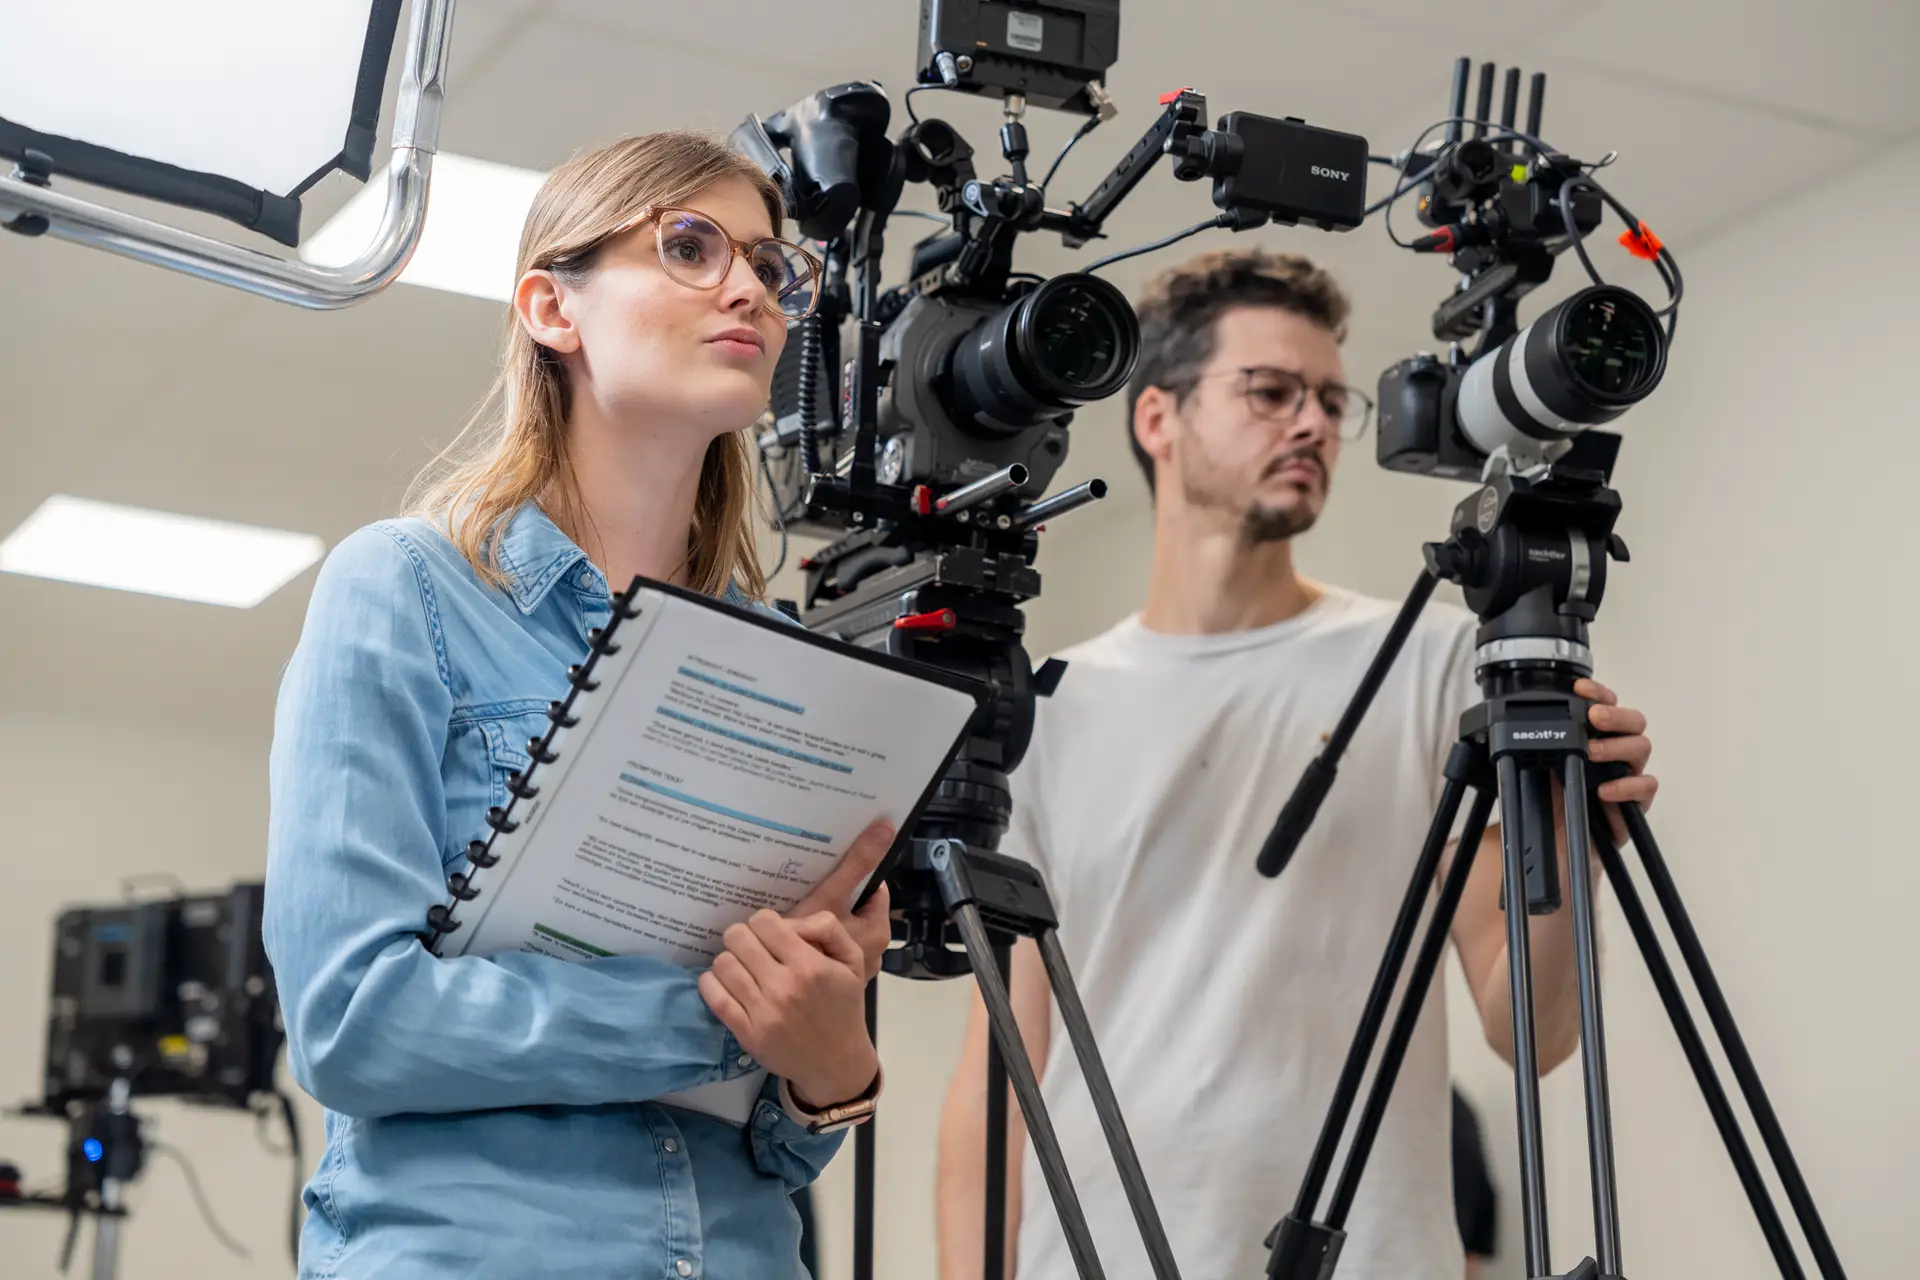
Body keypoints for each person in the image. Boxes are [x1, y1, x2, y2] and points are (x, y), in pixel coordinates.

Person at [935, 248, 1659, 1280]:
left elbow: (1530, 1029)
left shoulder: (1438, 657)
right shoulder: (1046, 701)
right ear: (1157, 419)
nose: (1313, 423)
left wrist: (1577, 844)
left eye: (1330, 398)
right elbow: (1001, 1073)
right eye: (1270, 391)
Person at [264, 131, 889, 1280]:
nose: (749, 287)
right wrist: (718, 1018)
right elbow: (354, 1019)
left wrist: (829, 1063)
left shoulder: (791, 661)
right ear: (554, 307)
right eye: (690, 247)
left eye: (768, 263)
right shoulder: (405, 588)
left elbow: (780, 1142)